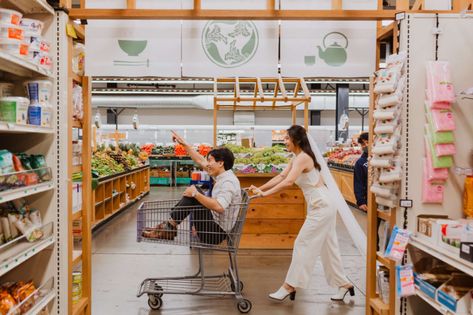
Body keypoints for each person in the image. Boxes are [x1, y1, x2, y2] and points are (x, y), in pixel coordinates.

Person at [250, 125, 354, 302]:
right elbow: (281, 177)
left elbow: (289, 182)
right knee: (328, 246)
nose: (284, 142)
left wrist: (265, 194)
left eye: (286, 139)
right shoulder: (296, 157)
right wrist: (259, 189)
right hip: (320, 204)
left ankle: (289, 286)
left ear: (296, 140)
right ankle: (344, 284)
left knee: (302, 243)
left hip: (321, 204)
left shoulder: (303, 158)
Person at [142, 131, 241, 245]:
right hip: (214, 225)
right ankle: (168, 227)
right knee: (196, 190)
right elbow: (199, 160)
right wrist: (184, 144)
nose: (207, 164)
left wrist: (195, 195)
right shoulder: (222, 176)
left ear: (220, 163)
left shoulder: (228, 182)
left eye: (210, 160)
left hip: (215, 233)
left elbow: (219, 207)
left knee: (195, 193)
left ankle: (168, 227)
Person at [354, 132, 369, 212]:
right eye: (363, 144)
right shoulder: (360, 162)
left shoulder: (382, 158)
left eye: (367, 142)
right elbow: (358, 183)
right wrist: (360, 201)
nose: (366, 145)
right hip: (368, 199)